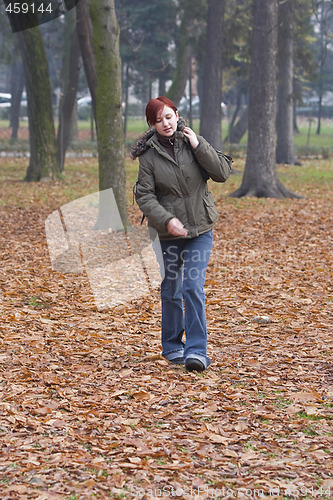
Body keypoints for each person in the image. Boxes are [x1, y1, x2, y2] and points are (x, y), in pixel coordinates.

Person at [131, 96, 232, 372]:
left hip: (200, 229)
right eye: (158, 120)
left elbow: (223, 173)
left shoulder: (192, 143)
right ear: (152, 125)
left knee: (192, 287)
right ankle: (173, 345)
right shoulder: (149, 156)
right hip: (168, 235)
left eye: (168, 117)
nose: (165, 123)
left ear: (177, 115)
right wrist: (168, 221)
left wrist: (200, 147)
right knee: (172, 289)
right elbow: (145, 196)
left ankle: (197, 351)